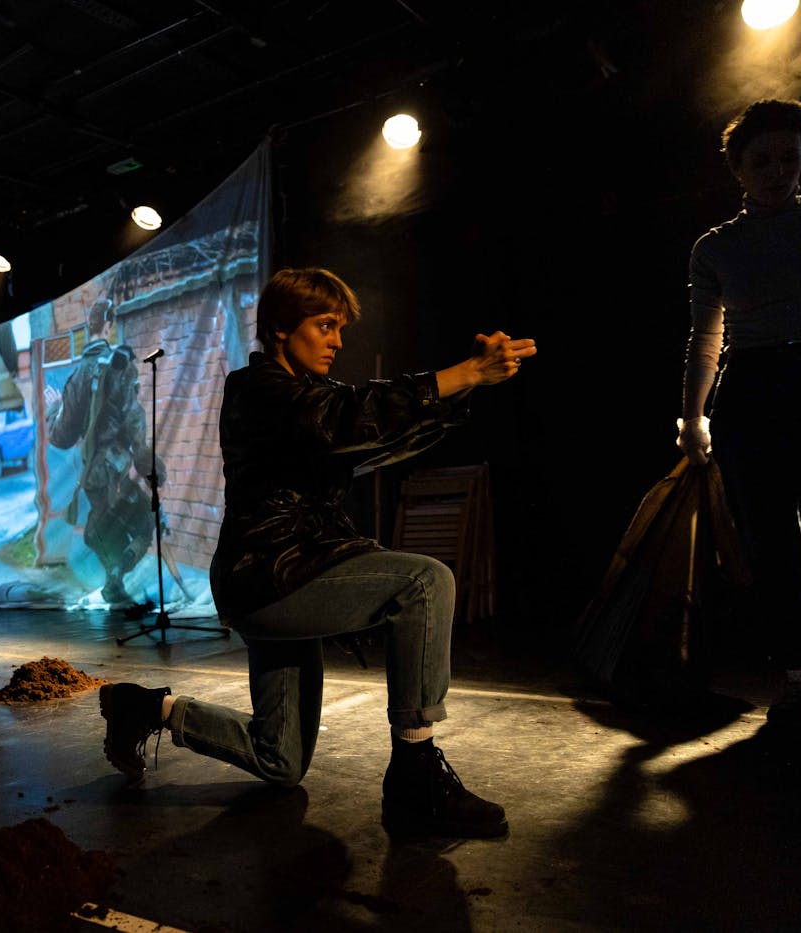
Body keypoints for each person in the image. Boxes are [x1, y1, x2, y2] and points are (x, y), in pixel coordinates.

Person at [98, 268, 536, 839]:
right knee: (424, 582)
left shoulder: (310, 400)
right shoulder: (257, 390)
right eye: (325, 325)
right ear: (282, 328)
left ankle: (145, 708)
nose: (337, 341)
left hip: (293, 572)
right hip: (269, 576)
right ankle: (415, 774)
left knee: (279, 760)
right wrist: (464, 372)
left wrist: (465, 385)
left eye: (340, 329)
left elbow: (380, 435)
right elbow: (342, 417)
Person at [677, 98, 801, 727]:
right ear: (738, 169)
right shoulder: (716, 247)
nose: (778, 171)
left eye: (788, 158)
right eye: (762, 161)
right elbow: (705, 340)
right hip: (753, 393)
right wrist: (693, 418)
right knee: (773, 543)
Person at [45, 297, 157, 606]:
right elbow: (134, 420)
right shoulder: (121, 366)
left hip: (94, 474)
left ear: (89, 328)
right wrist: (143, 463)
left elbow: (62, 437)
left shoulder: (77, 377)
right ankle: (116, 580)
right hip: (120, 468)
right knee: (146, 526)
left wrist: (55, 408)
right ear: (108, 326)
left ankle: (115, 586)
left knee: (107, 531)